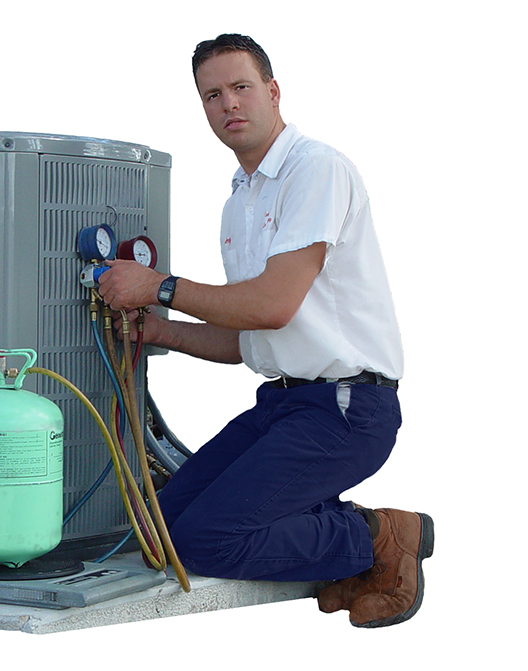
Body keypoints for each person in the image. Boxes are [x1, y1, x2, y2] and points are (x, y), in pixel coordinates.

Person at [97, 34, 433, 628]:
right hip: (282, 404)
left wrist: (159, 286)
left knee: (204, 541)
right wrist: (159, 332)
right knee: (157, 530)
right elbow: (247, 336)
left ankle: (376, 538)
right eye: (211, 95)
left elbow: (272, 305)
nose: (228, 104)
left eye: (240, 87)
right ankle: (338, 546)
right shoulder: (240, 201)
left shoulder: (316, 170)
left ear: (273, 92)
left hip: (348, 410)